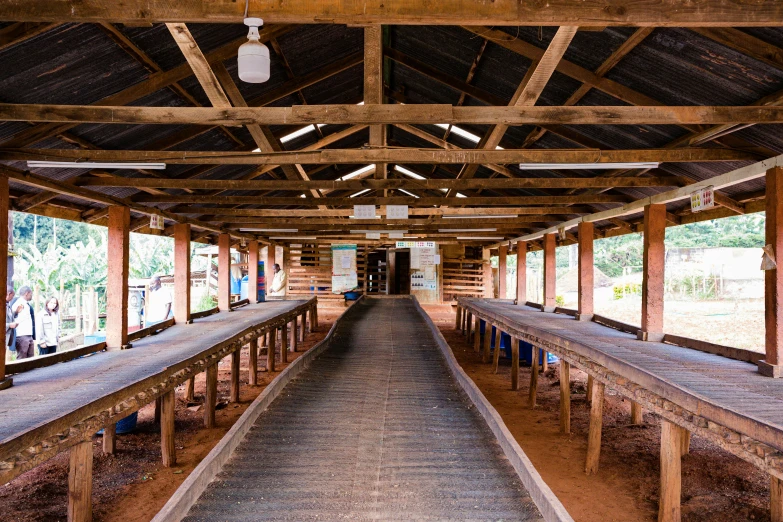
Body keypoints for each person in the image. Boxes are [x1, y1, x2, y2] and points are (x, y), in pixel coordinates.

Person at [12, 286, 35, 359]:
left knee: (30, 357)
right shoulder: (18, 303)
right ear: (27, 293)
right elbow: (11, 316)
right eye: (31, 294)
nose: (31, 296)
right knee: (22, 357)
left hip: (28, 334)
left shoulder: (27, 304)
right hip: (21, 334)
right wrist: (16, 312)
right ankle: (18, 371)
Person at [6, 286, 17, 358]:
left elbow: (8, 317)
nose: (12, 298)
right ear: (8, 294)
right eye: (12, 296)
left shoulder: (8, 305)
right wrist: (9, 325)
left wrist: (16, 312)